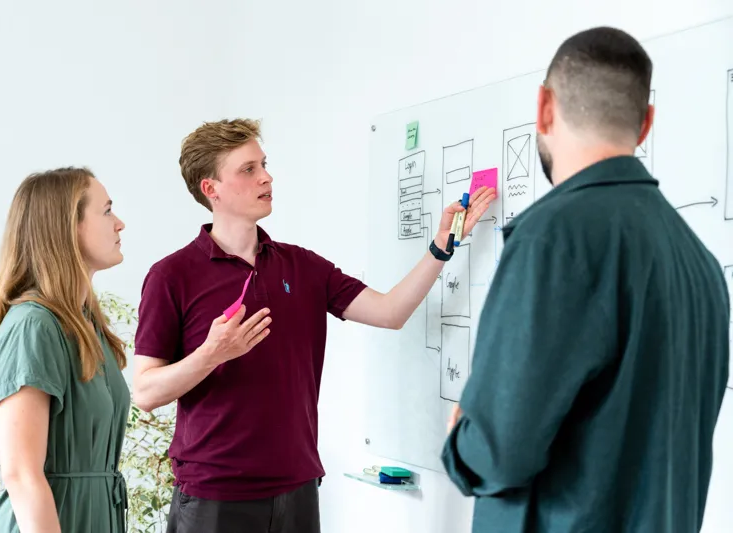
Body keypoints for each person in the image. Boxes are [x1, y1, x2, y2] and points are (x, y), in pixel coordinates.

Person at [131, 118, 496, 532]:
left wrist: (441, 246)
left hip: (298, 488)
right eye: (248, 169)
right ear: (210, 188)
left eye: (264, 164)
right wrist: (211, 354)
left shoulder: (302, 265)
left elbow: (390, 312)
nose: (266, 177)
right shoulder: (171, 276)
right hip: (215, 494)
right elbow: (145, 392)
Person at [441, 26, 730, 533]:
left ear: (545, 108)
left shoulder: (552, 240)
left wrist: (464, 435)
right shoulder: (701, 265)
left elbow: (497, 453)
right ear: (646, 124)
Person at [0, 168, 130, 533]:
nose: (120, 223)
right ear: (66, 226)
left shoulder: (88, 326)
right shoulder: (33, 326)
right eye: (106, 211)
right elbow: (21, 473)